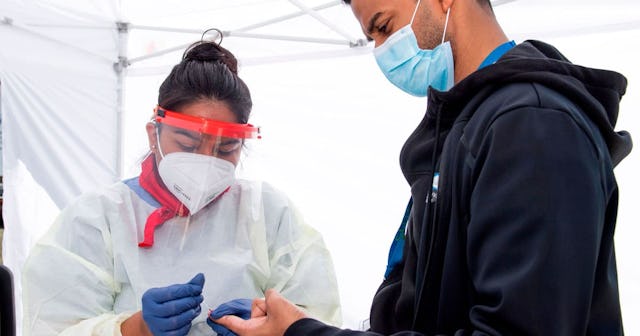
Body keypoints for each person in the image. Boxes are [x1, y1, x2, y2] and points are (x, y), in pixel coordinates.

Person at [212, 0, 633, 335]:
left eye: (383, 26)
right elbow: (429, 311)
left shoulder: (532, 124)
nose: (381, 50)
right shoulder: (463, 129)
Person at [21, 37, 341, 336]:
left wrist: (276, 325)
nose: (204, 162)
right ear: (153, 134)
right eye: (188, 144)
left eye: (225, 149)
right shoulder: (96, 220)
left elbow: (319, 318)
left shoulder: (268, 213)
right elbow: (53, 325)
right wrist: (135, 328)